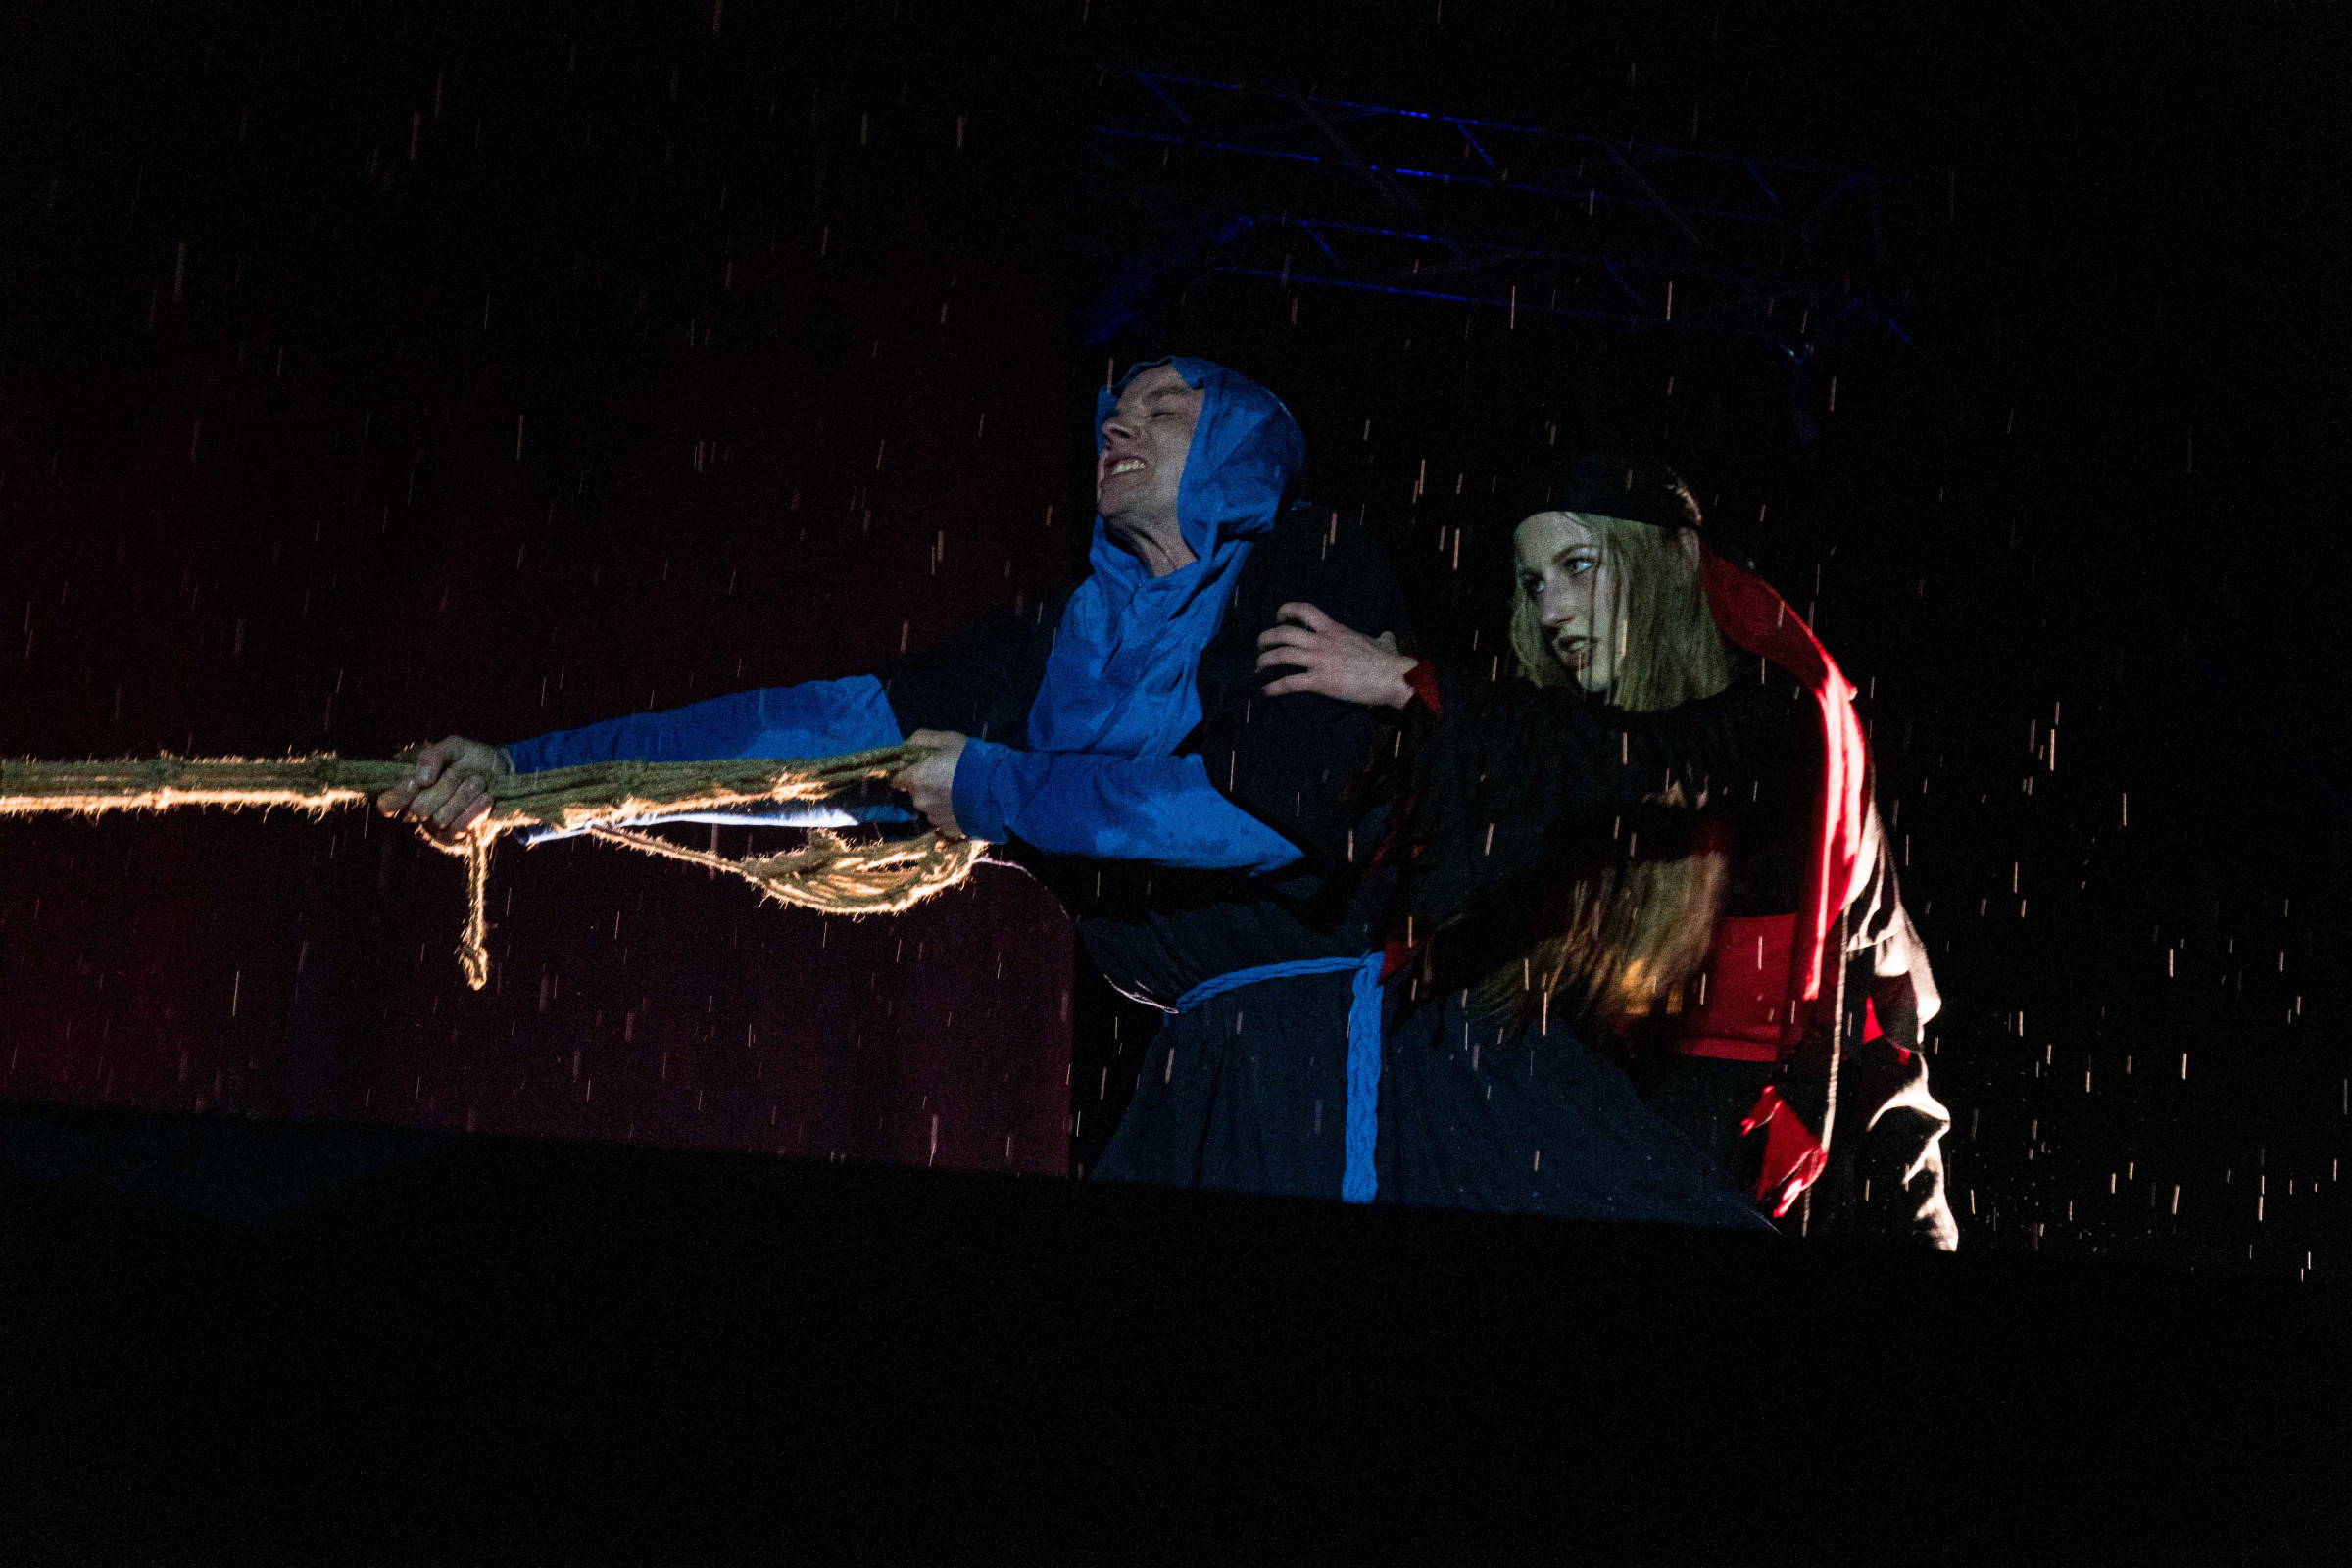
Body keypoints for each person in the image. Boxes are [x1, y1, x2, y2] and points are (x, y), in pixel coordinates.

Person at [381, 357, 1415, 1201]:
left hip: (1347, 1051)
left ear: (1238, 441)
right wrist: (528, 780)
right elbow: (803, 737)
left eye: (1165, 405)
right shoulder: (1059, 647)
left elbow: (1267, 811)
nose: (1117, 423)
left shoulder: (1313, 558)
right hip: (1204, 1061)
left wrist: (999, 789)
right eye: (1114, 408)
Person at [1260, 453, 1958, 1245]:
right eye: (1533, 583)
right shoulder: (1585, 735)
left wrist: (1407, 683)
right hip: (1661, 1111)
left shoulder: (1777, 707)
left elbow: (1645, 766)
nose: (1552, 610)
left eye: (1579, 566)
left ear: (1671, 561)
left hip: (1824, 1137)